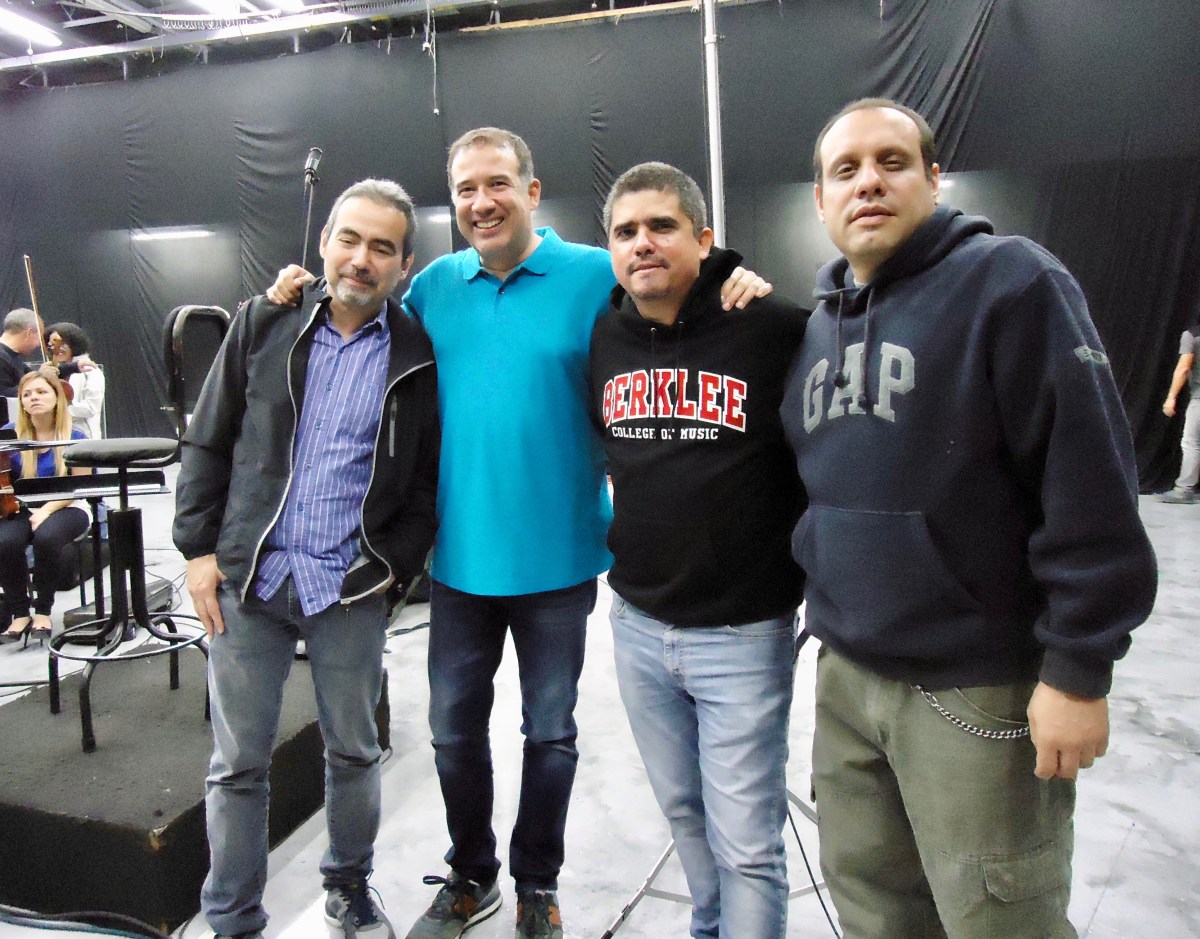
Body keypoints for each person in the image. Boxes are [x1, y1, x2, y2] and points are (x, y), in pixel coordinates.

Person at [267, 129, 767, 939]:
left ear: (532, 192)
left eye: (497, 183)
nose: (481, 201)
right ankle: (472, 874)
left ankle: (538, 882)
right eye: (465, 188)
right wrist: (289, 295)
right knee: (452, 733)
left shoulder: (594, 274)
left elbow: (673, 289)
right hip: (459, 561)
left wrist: (733, 276)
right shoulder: (434, 287)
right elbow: (355, 312)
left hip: (560, 559)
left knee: (552, 733)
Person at [782, 98, 1158, 938]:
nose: (868, 182)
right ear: (820, 199)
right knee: (872, 911)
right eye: (845, 169)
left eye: (891, 162)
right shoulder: (816, 330)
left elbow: (1089, 479)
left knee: (999, 920)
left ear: (933, 177)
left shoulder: (1011, 281)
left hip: (975, 684)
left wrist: (1078, 666)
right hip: (846, 677)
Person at [173, 178, 441, 939]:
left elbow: (423, 484)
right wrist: (198, 549)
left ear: (404, 263)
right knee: (237, 766)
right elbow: (209, 437)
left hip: (348, 588)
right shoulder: (265, 323)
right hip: (250, 580)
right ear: (324, 243)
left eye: (382, 247)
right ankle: (232, 918)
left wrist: (391, 572)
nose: (361, 259)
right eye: (349, 239)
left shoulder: (417, 356)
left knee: (354, 752)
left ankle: (348, 887)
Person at [590, 162, 807, 938]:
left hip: (742, 633)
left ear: (705, 238)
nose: (642, 243)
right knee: (685, 813)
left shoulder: (773, 326)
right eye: (625, 232)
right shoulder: (604, 334)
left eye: (662, 226)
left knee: (747, 844)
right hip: (638, 627)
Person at [0, 372, 90, 646]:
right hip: (21, 506)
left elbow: (80, 485)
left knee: (47, 538)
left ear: (56, 397)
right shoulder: (9, 434)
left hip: (68, 505)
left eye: (41, 392)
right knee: (5, 541)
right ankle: (19, 613)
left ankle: (43, 611)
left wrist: (47, 510)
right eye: (27, 394)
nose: (34, 398)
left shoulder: (75, 435)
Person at [1159, 322, 1200, 503]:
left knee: (1191, 443)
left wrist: (1171, 397)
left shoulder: (1192, 335)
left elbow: (1183, 368)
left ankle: (1184, 489)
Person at [47, 322, 105, 439]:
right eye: (52, 344)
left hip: (83, 436)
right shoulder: (54, 370)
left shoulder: (91, 370)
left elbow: (91, 407)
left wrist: (58, 409)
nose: (56, 348)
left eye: (62, 343)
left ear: (74, 344)